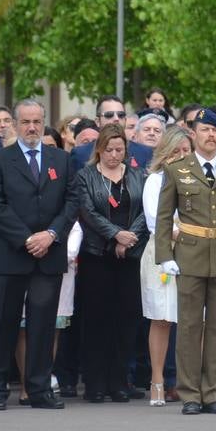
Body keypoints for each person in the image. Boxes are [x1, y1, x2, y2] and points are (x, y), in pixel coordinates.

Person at [154, 109, 216, 415]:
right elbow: (163, 217)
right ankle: (190, 394)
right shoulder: (177, 169)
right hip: (190, 254)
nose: (211, 135)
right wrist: (164, 257)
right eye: (205, 130)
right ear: (193, 134)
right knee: (189, 327)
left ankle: (214, 392)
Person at [0, 99, 77, 410]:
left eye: (37, 121)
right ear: (15, 124)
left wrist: (50, 235)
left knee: (42, 325)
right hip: (11, 254)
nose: (32, 127)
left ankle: (39, 389)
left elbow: (72, 201)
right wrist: (26, 239)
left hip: (48, 254)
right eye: (25, 122)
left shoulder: (60, 159)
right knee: (2, 324)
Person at [73, 124, 148, 403]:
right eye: (109, 150)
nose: (114, 156)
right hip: (97, 254)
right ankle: (95, 382)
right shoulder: (86, 176)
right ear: (99, 150)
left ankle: (119, 381)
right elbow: (88, 212)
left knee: (126, 319)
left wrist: (128, 238)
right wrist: (115, 234)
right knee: (97, 319)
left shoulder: (138, 175)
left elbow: (145, 211)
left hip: (130, 255)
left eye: (120, 150)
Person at [140, 127, 191, 405]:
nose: (182, 156)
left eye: (186, 151)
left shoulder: (196, 179)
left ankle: (190, 381)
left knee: (195, 318)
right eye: (176, 152)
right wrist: (190, 230)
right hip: (163, 253)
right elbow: (157, 223)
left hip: (193, 253)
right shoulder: (155, 180)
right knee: (161, 318)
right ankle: (157, 381)